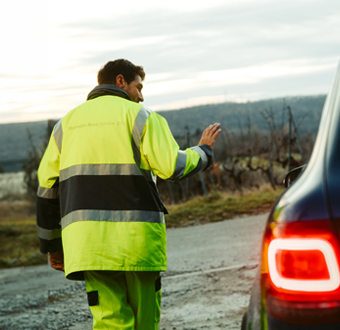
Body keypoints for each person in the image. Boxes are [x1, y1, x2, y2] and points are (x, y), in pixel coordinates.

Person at [36, 59, 221, 330]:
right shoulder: (141, 117)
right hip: (137, 241)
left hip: (88, 245)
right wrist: (203, 152)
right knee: (145, 319)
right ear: (121, 81)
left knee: (109, 321)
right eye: (139, 86)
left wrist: (52, 245)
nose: (141, 95)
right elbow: (172, 166)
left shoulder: (64, 126)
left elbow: (46, 189)